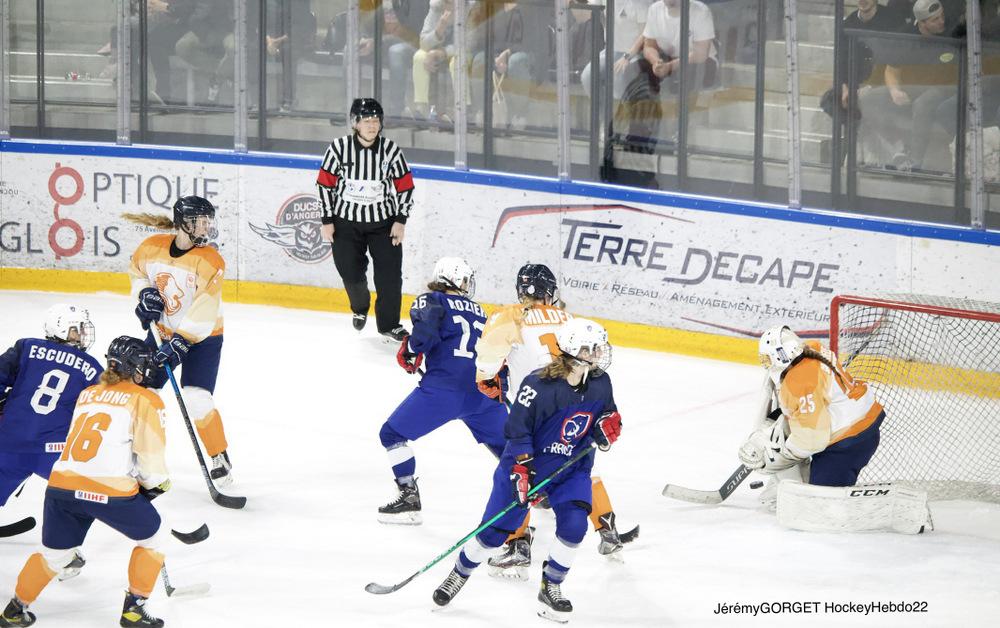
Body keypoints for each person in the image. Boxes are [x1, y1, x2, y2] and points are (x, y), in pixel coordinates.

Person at [432, 318, 623, 623]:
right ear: (573, 350)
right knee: (493, 535)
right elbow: (517, 429)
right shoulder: (538, 385)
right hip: (526, 468)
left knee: (575, 526)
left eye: (600, 347)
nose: (599, 353)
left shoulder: (601, 382)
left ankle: (551, 587)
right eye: (592, 349)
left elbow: (609, 414)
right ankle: (460, 572)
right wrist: (522, 468)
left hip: (572, 468)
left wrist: (608, 426)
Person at [474, 263, 637, 578]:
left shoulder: (510, 316)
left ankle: (518, 544)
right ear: (549, 291)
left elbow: (488, 362)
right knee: (581, 466)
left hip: (536, 407)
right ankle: (607, 529)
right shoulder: (569, 319)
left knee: (521, 474)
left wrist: (487, 377)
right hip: (576, 402)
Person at [0, 336, 172, 628]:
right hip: (109, 492)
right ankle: (134, 609)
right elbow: (149, 458)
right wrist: (156, 484)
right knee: (156, 537)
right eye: (143, 364)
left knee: (54, 556)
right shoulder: (147, 399)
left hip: (61, 487)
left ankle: (15, 610)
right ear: (134, 367)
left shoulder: (88, 393)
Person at [737, 326, 931, 534]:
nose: (765, 364)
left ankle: (904, 507)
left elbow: (812, 440)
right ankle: (790, 487)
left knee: (821, 509)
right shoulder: (810, 350)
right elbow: (804, 412)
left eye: (767, 359)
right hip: (855, 430)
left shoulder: (799, 381)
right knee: (792, 456)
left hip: (848, 444)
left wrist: (778, 458)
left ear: (781, 356)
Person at [376, 257, 508, 524]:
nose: (467, 284)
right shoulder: (481, 311)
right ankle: (540, 491)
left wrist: (410, 349)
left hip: (444, 389)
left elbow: (423, 338)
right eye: (465, 280)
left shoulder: (432, 299)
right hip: (485, 393)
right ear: (454, 279)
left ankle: (408, 496)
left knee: (391, 434)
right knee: (510, 448)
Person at [125, 195, 234, 487]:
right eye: (201, 222)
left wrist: (183, 340)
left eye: (208, 221)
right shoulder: (151, 247)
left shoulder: (211, 260)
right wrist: (144, 293)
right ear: (184, 223)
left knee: (197, 397)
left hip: (203, 338)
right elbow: (137, 272)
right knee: (142, 390)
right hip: (161, 333)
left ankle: (219, 457)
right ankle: (136, 455)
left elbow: (206, 306)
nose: (206, 227)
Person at [316, 97, 414, 341]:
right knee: (349, 271)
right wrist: (327, 220)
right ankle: (360, 306)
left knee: (390, 275)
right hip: (345, 223)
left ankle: (389, 324)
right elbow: (325, 184)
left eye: (376, 120)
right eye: (366, 120)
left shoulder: (391, 150)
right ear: (355, 123)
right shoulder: (339, 148)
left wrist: (400, 219)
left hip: (384, 224)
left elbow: (405, 186)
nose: (372, 125)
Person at [0, 305, 103, 521]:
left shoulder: (26, 347)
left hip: (9, 442)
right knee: (77, 496)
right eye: (77, 329)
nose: (83, 334)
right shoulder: (92, 368)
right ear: (62, 328)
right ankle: (64, 543)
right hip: (54, 452)